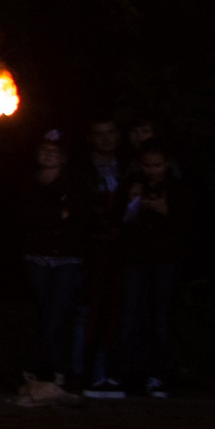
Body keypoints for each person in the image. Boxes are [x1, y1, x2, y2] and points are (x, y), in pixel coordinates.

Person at [14, 130, 85, 405]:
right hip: (37, 258)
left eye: (54, 151)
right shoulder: (29, 183)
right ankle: (51, 372)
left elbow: (79, 217)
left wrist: (58, 217)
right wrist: (56, 216)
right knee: (44, 312)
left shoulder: (73, 183)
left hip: (67, 258)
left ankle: (42, 369)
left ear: (63, 156)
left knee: (57, 314)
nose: (48, 155)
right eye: (44, 149)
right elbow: (25, 217)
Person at [119, 145, 193, 398]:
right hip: (137, 260)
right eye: (148, 165)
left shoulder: (178, 188)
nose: (152, 171)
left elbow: (188, 225)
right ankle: (132, 376)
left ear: (167, 163)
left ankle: (160, 375)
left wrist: (165, 211)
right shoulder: (133, 184)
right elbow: (119, 220)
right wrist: (132, 202)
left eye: (157, 165)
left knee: (161, 319)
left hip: (166, 261)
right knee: (132, 317)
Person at [76, 116, 131, 398]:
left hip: (123, 251)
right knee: (91, 310)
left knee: (119, 311)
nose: (106, 139)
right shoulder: (82, 169)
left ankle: (116, 373)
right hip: (92, 250)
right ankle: (91, 372)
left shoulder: (129, 167)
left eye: (110, 132)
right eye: (99, 133)